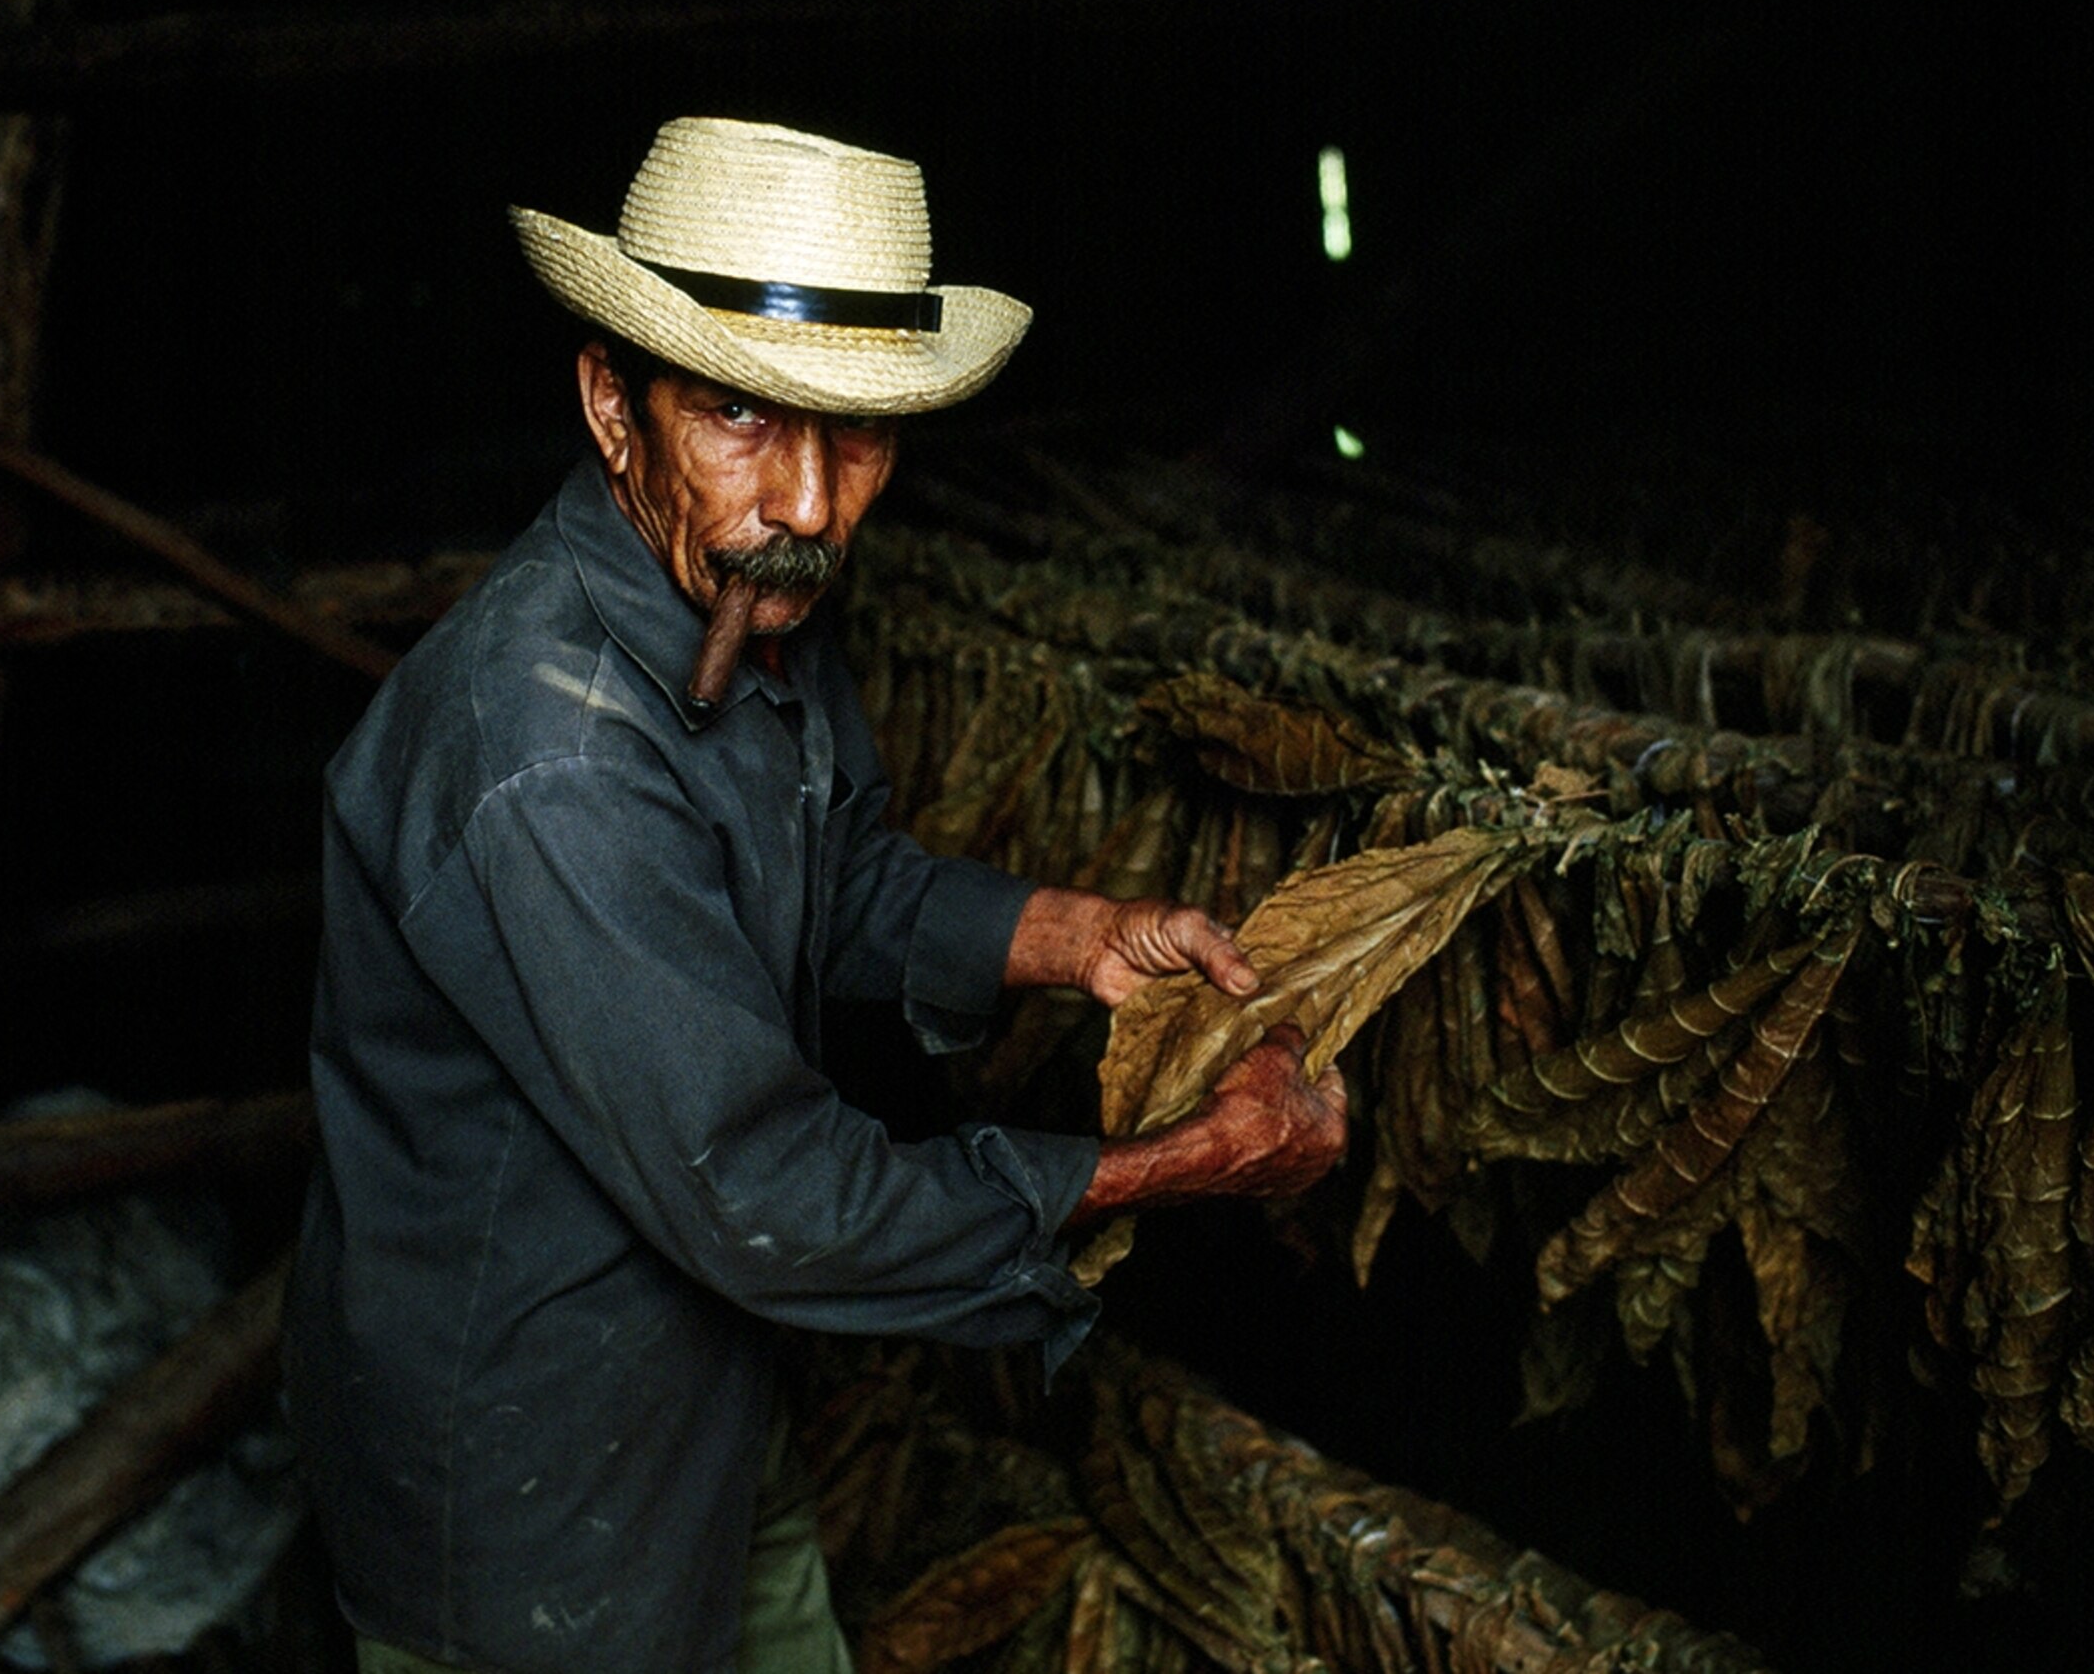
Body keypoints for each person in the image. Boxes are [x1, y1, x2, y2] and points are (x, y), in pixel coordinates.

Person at [284, 116, 1347, 1674]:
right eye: (737, 415)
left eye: (856, 435)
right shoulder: (548, 755)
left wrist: (1073, 939)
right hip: (530, 1501)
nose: (806, 496)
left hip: (704, 1421)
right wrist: (1175, 1163)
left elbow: (825, 872)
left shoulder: (751, 598)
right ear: (611, 405)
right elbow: (760, 1196)